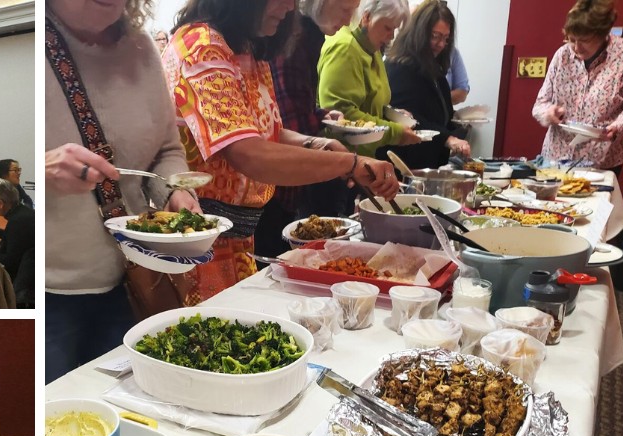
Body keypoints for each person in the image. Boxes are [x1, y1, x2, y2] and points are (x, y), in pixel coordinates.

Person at [162, 1, 400, 266]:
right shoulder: (202, 47)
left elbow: (267, 131)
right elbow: (248, 152)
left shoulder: (246, 48)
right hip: (196, 241)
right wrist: (351, 163)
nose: (289, 8)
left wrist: (317, 143)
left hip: (235, 241)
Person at [45, 0, 200, 381]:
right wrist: (43, 163)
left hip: (130, 277)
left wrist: (175, 192)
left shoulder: (142, 47)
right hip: (46, 295)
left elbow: (167, 149)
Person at [269, 0, 361, 229]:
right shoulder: (299, 37)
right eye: (345, 9)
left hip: (279, 175)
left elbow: (288, 108)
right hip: (276, 182)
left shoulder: (308, 34)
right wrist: (343, 162)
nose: (349, 20)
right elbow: (286, 120)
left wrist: (320, 115)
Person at [533, 0, 623, 175]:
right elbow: (540, 103)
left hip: (601, 160)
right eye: (571, 39)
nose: (576, 48)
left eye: (584, 41)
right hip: (556, 156)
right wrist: (549, 113)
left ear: (603, 34)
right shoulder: (562, 56)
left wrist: (618, 126)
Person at [318, 0, 421, 157]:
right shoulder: (345, 48)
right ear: (367, 17)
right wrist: (394, 132)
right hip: (339, 158)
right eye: (387, 28)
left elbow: (369, 104)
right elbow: (340, 113)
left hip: (361, 156)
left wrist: (392, 115)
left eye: (394, 29)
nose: (391, 36)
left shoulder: (372, 48)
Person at [385, 0, 471, 169]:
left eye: (446, 38)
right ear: (419, 33)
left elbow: (436, 113)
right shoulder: (400, 67)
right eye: (435, 36)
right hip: (405, 163)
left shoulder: (434, 68)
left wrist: (456, 130)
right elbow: (407, 116)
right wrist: (448, 138)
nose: (441, 44)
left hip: (429, 161)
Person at [0, 177, 33, 280]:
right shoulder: (25, 212)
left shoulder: (17, 222)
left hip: (18, 278)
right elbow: (15, 238)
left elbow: (9, 261)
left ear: (0, 203)